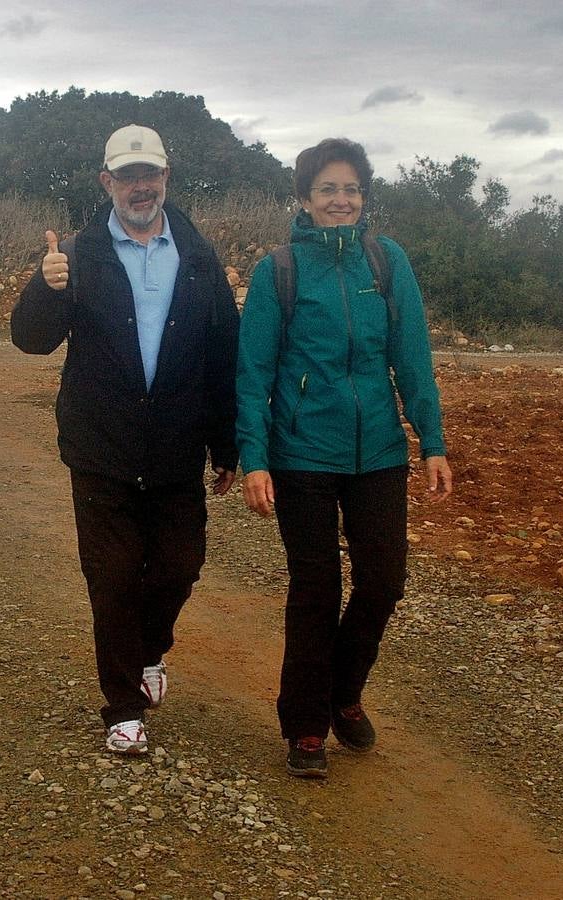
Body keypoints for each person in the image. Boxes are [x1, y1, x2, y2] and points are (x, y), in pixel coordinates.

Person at [11, 124, 239, 755]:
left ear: (166, 178)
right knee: (110, 576)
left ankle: (149, 651)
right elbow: (31, 340)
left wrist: (228, 442)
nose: (142, 186)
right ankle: (121, 706)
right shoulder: (78, 255)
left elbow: (224, 350)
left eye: (152, 174)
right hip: (101, 448)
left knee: (179, 566)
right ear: (107, 182)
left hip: (175, 447)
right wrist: (44, 286)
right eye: (128, 175)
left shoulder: (196, 255)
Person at [235, 137, 452, 779]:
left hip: (379, 451)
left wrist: (431, 441)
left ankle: (343, 694)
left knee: (384, 581)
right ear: (304, 198)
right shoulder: (279, 270)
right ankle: (305, 725)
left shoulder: (387, 263)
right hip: (301, 453)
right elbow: (252, 372)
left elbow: (412, 358)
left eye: (351, 189)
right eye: (327, 189)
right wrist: (254, 457)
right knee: (315, 591)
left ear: (363, 198)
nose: (340, 199)